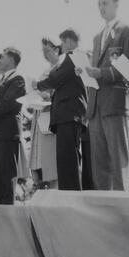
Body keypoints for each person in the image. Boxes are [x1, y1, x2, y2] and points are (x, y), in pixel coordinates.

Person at [85, 0, 129, 190]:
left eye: (105, 3)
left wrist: (102, 73)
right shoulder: (98, 37)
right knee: (99, 164)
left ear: (116, 5)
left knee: (118, 162)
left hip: (115, 105)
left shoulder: (127, 30)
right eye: (99, 4)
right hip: (96, 107)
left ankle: (122, 207)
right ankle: (104, 209)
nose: (101, 8)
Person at [33, 29, 87, 190]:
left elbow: (57, 78)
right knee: (67, 159)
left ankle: (71, 194)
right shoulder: (76, 58)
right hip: (69, 115)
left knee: (67, 159)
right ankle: (69, 192)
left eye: (62, 42)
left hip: (69, 114)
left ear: (69, 41)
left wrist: (38, 85)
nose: (61, 46)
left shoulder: (74, 56)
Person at [0, 48, 26, 204]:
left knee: (7, 176)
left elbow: (9, 103)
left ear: (12, 59)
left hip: (7, 133)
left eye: (3, 57)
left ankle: (7, 211)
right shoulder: (1, 80)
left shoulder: (17, 79)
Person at [29, 38, 60, 189]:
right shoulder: (45, 70)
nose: (45, 54)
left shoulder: (60, 67)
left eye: (48, 50)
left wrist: (48, 95)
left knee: (51, 159)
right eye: (43, 51)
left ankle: (54, 188)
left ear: (57, 49)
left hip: (51, 117)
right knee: (40, 159)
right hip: (40, 116)